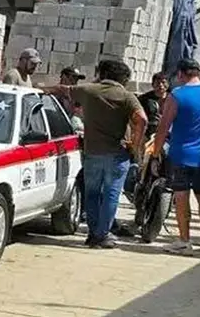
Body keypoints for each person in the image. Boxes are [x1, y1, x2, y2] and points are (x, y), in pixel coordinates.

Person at [44, 59, 147, 249]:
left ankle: (93, 234)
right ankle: (102, 235)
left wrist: (40, 88)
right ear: (123, 78)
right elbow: (141, 119)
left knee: (91, 194)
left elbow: (62, 90)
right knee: (111, 194)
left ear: (103, 74)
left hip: (92, 152)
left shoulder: (88, 90)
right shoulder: (127, 96)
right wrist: (135, 144)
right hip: (117, 153)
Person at [153, 58, 200, 255]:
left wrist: (156, 152)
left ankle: (184, 240)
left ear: (181, 73)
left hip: (180, 154)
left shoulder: (177, 95)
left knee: (181, 196)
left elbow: (163, 127)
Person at [139, 73, 170, 140]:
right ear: (153, 84)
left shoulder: (173, 99)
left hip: (167, 134)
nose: (161, 85)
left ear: (168, 84)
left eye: (163, 82)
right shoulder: (144, 99)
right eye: (158, 83)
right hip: (148, 133)